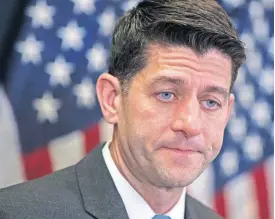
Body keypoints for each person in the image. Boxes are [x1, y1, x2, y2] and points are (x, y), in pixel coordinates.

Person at [0, 0, 246, 218]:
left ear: (227, 111)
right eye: (167, 94)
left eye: (211, 102)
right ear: (111, 99)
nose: (190, 124)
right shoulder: (16, 212)